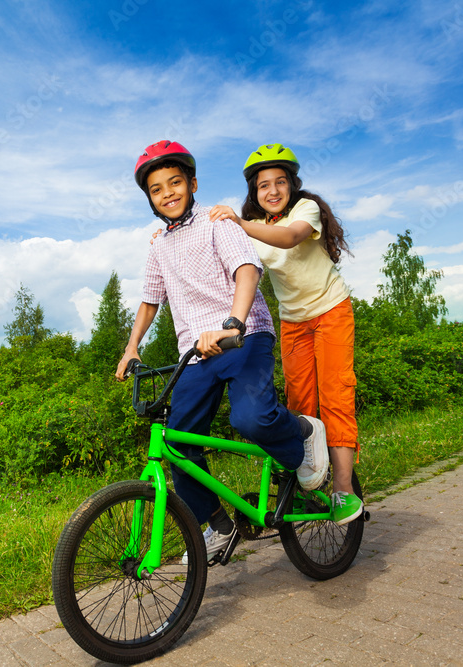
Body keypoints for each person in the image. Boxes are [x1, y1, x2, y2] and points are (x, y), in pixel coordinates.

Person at [116, 140, 330, 561]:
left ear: (192, 184)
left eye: (175, 183)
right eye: (157, 189)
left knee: (250, 417)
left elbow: (246, 270)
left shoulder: (218, 222)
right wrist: (130, 347)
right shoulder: (158, 243)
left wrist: (233, 322)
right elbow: (150, 299)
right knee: (177, 444)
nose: (168, 194)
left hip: (244, 337)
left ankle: (303, 434)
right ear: (150, 199)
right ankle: (217, 525)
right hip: (195, 353)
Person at [207, 143, 362, 525]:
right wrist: (166, 242)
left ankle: (344, 490)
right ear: (254, 193)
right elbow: (224, 259)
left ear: (292, 185)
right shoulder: (255, 231)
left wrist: (241, 224)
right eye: (263, 186)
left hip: (331, 311)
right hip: (293, 322)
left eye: (280, 182)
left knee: (336, 394)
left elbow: (291, 237)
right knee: (302, 404)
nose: (272, 191)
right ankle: (306, 482)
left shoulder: (305, 211)